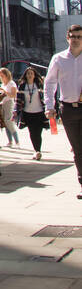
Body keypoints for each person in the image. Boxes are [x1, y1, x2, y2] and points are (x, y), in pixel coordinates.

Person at [44, 23, 82, 198]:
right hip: (68, 109)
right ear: (67, 38)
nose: (75, 40)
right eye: (72, 36)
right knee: (77, 149)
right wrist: (49, 106)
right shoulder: (58, 59)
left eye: (79, 37)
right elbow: (50, 82)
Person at [16, 65, 46, 160]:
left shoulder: (39, 84)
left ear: (34, 75)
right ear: (25, 75)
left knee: (38, 132)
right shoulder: (22, 86)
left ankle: (38, 150)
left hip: (39, 112)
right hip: (28, 113)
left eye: (31, 73)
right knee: (32, 132)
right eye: (28, 74)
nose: (30, 75)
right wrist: (16, 111)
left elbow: (44, 97)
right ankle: (37, 151)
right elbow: (18, 100)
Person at [0, 68, 20, 147]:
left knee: (9, 121)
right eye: (0, 76)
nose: (1, 77)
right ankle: (10, 141)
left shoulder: (11, 83)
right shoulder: (3, 84)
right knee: (5, 122)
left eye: (2, 75)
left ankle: (17, 141)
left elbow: (13, 95)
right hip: (3, 103)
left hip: (9, 103)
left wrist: (4, 91)